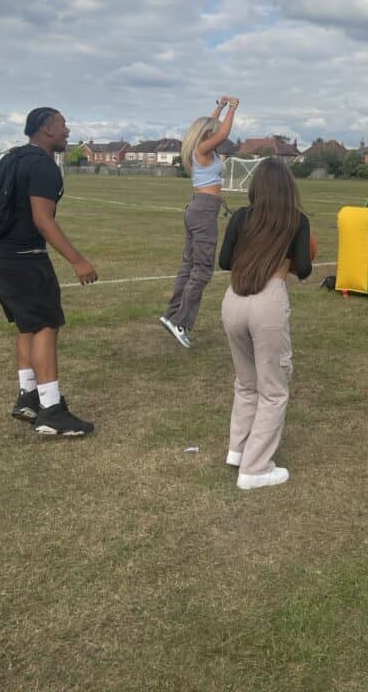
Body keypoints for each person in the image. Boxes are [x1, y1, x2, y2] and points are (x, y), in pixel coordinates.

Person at [0, 107, 99, 435]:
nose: (67, 131)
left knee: (28, 326)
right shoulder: (43, 166)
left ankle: (28, 397)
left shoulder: (12, 158)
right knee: (46, 324)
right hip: (23, 257)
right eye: (63, 125)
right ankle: (51, 410)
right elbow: (42, 219)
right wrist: (78, 261)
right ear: (47, 129)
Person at [218, 158, 312, 490]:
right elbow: (304, 267)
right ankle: (254, 469)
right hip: (268, 300)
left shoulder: (242, 217)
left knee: (246, 383)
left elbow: (224, 260)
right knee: (273, 389)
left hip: (234, 299)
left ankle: (238, 450)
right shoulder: (297, 221)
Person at [159, 96, 239, 348]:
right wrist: (233, 108)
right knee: (202, 270)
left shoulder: (204, 149)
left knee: (189, 265)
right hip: (203, 211)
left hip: (200, 209)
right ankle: (181, 321)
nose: (216, 135)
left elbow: (213, 126)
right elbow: (222, 131)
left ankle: (172, 315)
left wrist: (220, 106)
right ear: (206, 135)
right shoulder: (202, 150)